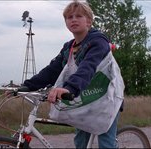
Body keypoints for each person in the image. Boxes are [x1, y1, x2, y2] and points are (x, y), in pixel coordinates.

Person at [18, 0, 121, 148]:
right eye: (69, 17)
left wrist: (69, 88)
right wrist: (26, 86)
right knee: (80, 142)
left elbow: (88, 67)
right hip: (86, 98)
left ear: (89, 21)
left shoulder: (98, 42)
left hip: (107, 98)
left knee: (106, 142)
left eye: (78, 16)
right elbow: (52, 70)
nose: (73, 19)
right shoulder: (69, 47)